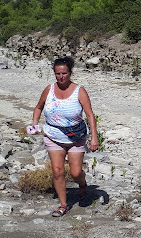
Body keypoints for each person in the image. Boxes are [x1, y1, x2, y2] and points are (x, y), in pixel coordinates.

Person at [31, 56, 99, 217]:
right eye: (57, 74)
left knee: (75, 173)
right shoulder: (49, 89)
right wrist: (34, 124)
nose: (61, 77)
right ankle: (63, 204)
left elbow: (89, 115)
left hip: (76, 136)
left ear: (70, 73)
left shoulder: (79, 91)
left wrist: (94, 138)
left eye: (64, 73)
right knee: (57, 171)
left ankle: (82, 184)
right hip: (53, 135)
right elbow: (38, 107)